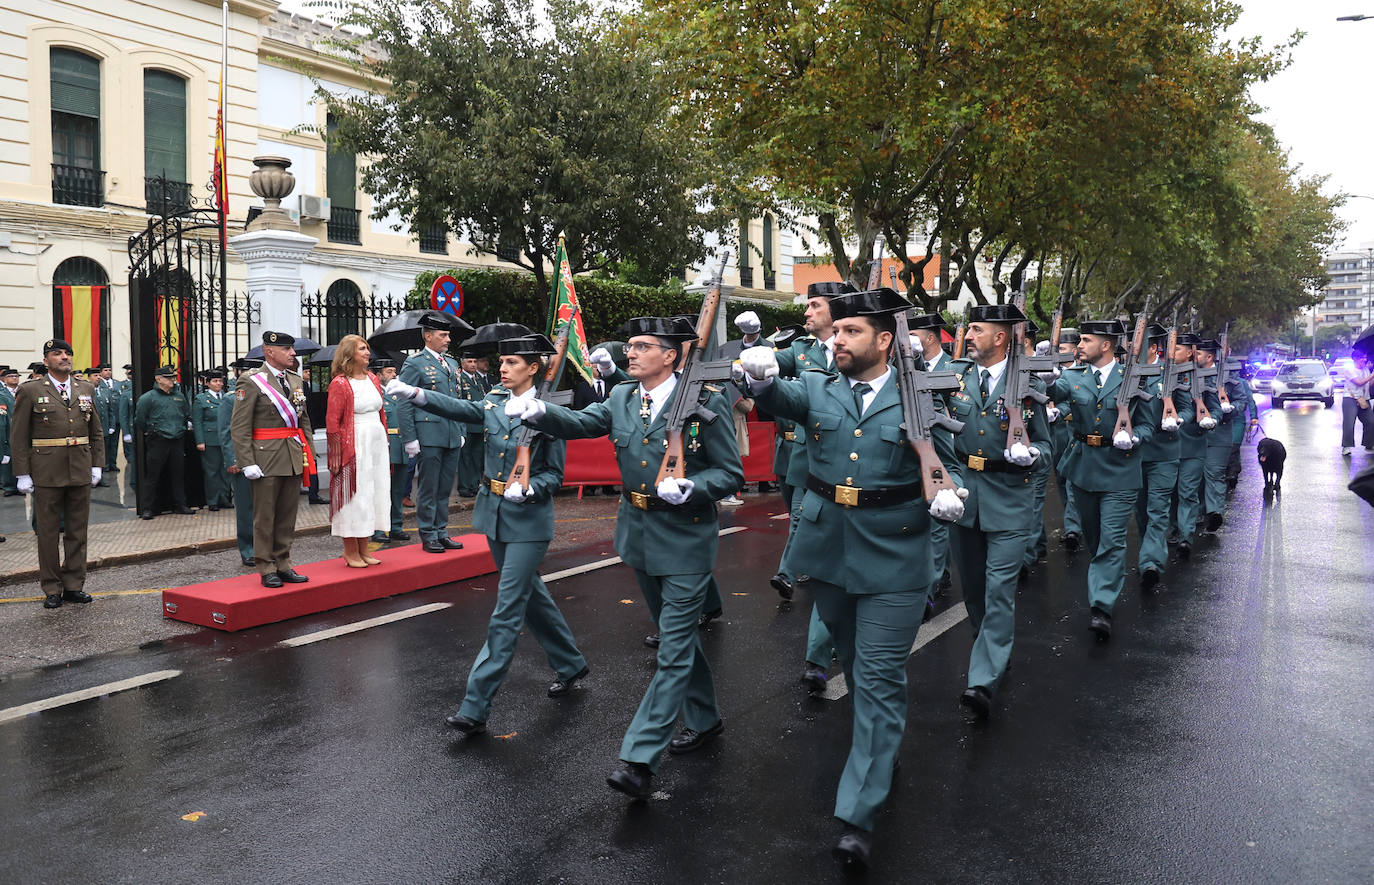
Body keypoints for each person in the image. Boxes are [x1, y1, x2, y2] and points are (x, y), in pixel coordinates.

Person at [739, 288, 965, 870]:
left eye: (851, 332)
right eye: (835, 331)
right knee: (857, 665)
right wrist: (760, 379)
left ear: (884, 340)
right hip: (830, 548)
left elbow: (951, 461)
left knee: (881, 674)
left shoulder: (924, 394)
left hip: (896, 552)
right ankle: (880, 746)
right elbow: (779, 396)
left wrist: (950, 492)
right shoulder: (817, 384)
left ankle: (857, 814)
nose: (836, 340)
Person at [510, 315, 743, 803]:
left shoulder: (705, 402)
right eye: (630, 345)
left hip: (684, 539)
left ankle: (638, 758)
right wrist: (537, 412)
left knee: (673, 649)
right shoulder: (621, 397)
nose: (629, 352)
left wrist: (693, 489)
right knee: (678, 643)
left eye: (642, 346)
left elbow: (730, 473)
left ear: (672, 355)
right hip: (637, 535)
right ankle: (706, 719)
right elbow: (580, 423)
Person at [389, 332, 591, 734]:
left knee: (507, 609)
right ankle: (570, 663)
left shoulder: (549, 411)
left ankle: (475, 705)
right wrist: (416, 394)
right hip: (494, 514)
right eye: (502, 362)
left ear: (533, 368)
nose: (502, 367)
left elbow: (555, 473)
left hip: (529, 521)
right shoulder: (496, 400)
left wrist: (532, 487)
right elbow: (463, 409)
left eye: (512, 363)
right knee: (530, 595)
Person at [941, 304, 1049, 719]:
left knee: (999, 590)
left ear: (1001, 337)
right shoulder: (957, 378)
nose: (968, 336)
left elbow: (1048, 446)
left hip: (1010, 497)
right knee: (973, 592)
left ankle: (982, 677)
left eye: (977, 330)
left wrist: (1032, 454)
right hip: (966, 496)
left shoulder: (1029, 383)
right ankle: (992, 649)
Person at [1046, 320, 1155, 640]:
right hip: (1083, 466)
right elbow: (1057, 391)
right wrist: (1045, 379)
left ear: (1106, 345)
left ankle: (1101, 605)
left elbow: (1149, 425)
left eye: (1086, 340)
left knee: (1111, 538)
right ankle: (1104, 577)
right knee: (1094, 536)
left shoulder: (1133, 380)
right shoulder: (1073, 376)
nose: (1079, 345)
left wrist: (1133, 439)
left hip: (1120, 469)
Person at [768, 281, 853, 692]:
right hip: (806, 461)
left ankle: (818, 657)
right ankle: (820, 655)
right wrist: (751, 360)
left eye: (815, 305)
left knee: (821, 550)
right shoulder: (801, 350)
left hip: (857, 475)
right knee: (823, 564)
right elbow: (770, 369)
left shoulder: (867, 354)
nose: (807, 312)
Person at [11, 339, 104, 608]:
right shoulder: (30, 390)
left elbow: (95, 430)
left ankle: (74, 585)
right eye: (57, 353)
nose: (64, 357)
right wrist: (22, 473)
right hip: (46, 470)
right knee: (48, 532)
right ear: (46, 359)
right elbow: (18, 436)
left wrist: (97, 463)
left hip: (79, 467)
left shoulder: (85, 387)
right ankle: (52, 587)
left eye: (67, 353)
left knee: (78, 530)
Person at [231, 331, 315, 588]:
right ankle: (266, 566)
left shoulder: (294, 379)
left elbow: (304, 420)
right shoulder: (251, 381)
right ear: (270, 351)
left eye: (292, 349)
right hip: (265, 458)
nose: (292, 353)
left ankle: (284, 563)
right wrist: (247, 462)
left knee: (287, 515)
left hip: (291, 454)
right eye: (287, 349)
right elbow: (240, 426)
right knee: (265, 516)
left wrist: (308, 451)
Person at [1131, 326, 1194, 591]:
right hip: (1134, 452)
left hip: (1165, 451)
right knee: (1141, 511)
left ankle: (1150, 563)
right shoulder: (1128, 374)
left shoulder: (1170, 374)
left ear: (1154, 349)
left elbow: (1189, 408)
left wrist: (1177, 420)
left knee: (1158, 510)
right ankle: (1149, 550)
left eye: (1139, 346)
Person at [398, 314, 467, 554]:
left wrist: (461, 429)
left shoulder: (453, 364)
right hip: (428, 434)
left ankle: (442, 531)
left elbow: (458, 400)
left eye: (448, 335)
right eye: (443, 335)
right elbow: (404, 402)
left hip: (450, 432)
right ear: (428, 336)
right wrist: (409, 438)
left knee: (445, 487)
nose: (448, 339)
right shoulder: (414, 363)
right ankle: (428, 533)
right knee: (429, 487)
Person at [326, 335, 390, 568]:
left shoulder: (373, 378)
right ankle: (350, 550)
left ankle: (365, 548)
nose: (367, 352)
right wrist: (336, 455)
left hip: (376, 442)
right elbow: (332, 421)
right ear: (349, 354)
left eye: (367, 348)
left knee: (372, 494)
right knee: (355, 497)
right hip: (354, 444)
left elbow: (382, 413)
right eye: (362, 349)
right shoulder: (340, 383)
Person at [1170, 333, 1218, 558]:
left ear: (1189, 352)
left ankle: (1185, 536)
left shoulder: (1205, 377)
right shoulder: (1163, 374)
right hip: (1165, 446)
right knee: (1168, 494)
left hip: (1193, 444)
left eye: (1177, 349)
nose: (1172, 353)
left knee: (1187, 493)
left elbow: (1216, 407)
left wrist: (1211, 419)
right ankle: (1171, 529)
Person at [134, 365, 194, 519]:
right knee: (153, 476)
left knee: (178, 474)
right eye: (168, 378)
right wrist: (152, 431)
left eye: (173, 377)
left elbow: (186, 414)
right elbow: (140, 420)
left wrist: (180, 428)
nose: (172, 380)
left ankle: (180, 504)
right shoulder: (148, 398)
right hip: (158, 440)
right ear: (158, 379)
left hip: (177, 439)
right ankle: (148, 508)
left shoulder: (179, 397)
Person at [220, 358, 259, 567]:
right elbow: (226, 432)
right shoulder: (231, 398)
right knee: (246, 507)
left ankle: (264, 547)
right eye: (247, 370)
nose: (252, 374)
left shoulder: (265, 393)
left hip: (264, 456)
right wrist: (234, 459)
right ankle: (248, 548)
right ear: (238, 373)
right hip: (243, 459)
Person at [370, 359, 412, 544]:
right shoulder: (373, 394)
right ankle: (378, 528)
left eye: (394, 371)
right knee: (380, 490)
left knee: (398, 489)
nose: (394, 375)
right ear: (378, 375)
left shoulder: (399, 392)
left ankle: (396, 526)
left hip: (401, 446)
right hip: (383, 446)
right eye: (389, 371)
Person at [192, 369, 232, 511]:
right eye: (215, 381)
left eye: (220, 381)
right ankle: (213, 500)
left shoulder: (226, 397)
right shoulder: (201, 399)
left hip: (226, 439)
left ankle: (225, 498)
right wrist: (200, 441)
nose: (218, 384)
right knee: (212, 471)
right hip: (210, 439)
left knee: (226, 470)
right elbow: (197, 421)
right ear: (207, 383)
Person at [454, 351, 490, 498]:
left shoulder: (478, 379)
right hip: (467, 424)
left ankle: (474, 485)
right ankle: (464, 486)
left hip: (479, 424)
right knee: (465, 457)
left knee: (477, 457)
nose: (473, 364)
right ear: (463, 364)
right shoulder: (460, 379)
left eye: (475, 362)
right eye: (470, 362)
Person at [1340, 354, 1374, 455]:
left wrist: (1372, 377)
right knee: (1349, 423)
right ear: (1355, 359)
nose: (1364, 360)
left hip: (1364, 399)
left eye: (1365, 357)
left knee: (1371, 421)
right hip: (1350, 398)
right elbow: (1359, 382)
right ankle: (1346, 446)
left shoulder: (1366, 370)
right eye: (1362, 358)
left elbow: (1369, 383)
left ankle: (1369, 443)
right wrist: (1372, 375)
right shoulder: (1349, 370)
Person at [92, 364, 118, 482]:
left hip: (105, 425)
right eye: (95, 375)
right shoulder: (87, 391)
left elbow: (110, 409)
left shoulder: (104, 391)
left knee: (107, 449)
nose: (98, 377)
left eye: (98, 375)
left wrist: (111, 425)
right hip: (93, 428)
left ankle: (106, 467)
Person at [116, 364, 137, 490]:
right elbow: (123, 415)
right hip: (131, 428)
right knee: (132, 459)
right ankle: (134, 482)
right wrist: (126, 432)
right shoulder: (126, 393)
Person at [0, 365, 17, 495]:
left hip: (22, 429)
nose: (14, 378)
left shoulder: (22, 391)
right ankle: (9, 486)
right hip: (9, 429)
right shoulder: (2, 394)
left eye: (16, 376)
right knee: (8, 457)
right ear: (4, 379)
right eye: (11, 376)